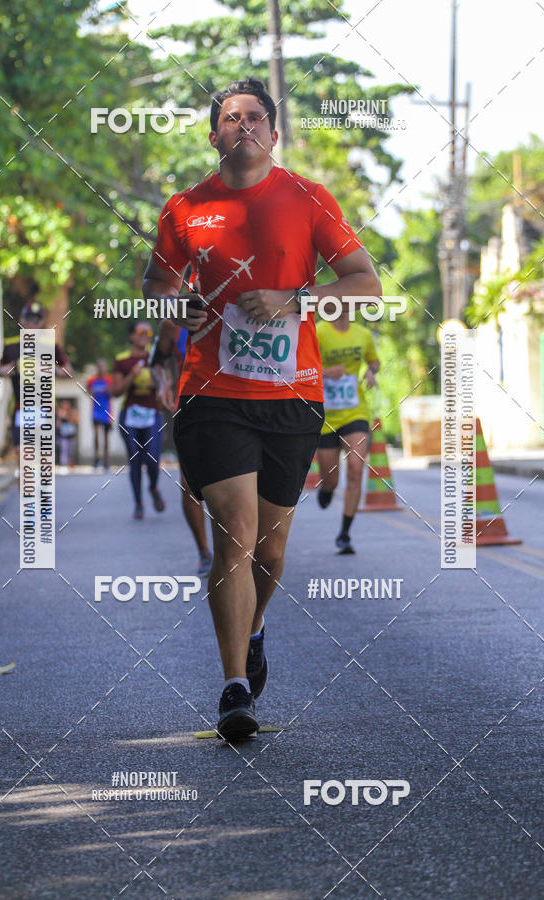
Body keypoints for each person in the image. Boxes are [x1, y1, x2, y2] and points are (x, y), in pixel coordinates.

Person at [142, 77, 381, 739]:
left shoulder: (307, 198)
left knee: (272, 548)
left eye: (254, 117)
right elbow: (156, 283)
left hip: (292, 397)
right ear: (214, 134)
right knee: (238, 535)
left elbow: (366, 284)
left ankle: (256, 629)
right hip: (212, 394)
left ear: (273, 133)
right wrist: (173, 308)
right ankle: (234, 690)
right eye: (229, 117)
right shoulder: (186, 207)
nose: (242, 125)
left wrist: (295, 300)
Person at [150, 313, 213, 577]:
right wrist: (163, 383)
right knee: (190, 484)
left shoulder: (243, 305)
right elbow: (157, 363)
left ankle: (237, 549)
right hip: (191, 408)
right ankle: (204, 552)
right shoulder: (174, 320)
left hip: (240, 407)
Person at [315, 313, 380, 553]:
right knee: (330, 477)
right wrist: (325, 373)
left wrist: (372, 371)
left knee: (355, 468)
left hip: (355, 412)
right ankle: (327, 488)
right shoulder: (319, 332)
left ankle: (344, 534)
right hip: (326, 417)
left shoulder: (362, 334)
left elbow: (374, 361)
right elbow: (301, 367)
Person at [0, 301, 71, 454]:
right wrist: (14, 367)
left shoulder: (50, 345)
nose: (32, 323)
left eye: (36, 319)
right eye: (28, 318)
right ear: (21, 319)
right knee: (21, 453)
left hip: (45, 407)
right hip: (20, 407)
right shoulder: (11, 345)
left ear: (42, 322)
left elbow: (68, 372)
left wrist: (48, 368)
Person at [111, 321, 165, 519]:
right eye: (141, 332)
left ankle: (153, 487)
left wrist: (161, 383)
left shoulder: (155, 357)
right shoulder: (122, 360)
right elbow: (115, 392)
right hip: (130, 415)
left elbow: (165, 385)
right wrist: (131, 376)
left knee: (152, 458)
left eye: (149, 332)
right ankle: (139, 504)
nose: (145, 335)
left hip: (152, 414)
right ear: (131, 336)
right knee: (134, 459)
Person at [86, 359, 112, 470]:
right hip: (95, 412)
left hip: (106, 412)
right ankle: (96, 458)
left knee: (106, 437)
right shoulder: (92, 380)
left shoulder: (109, 379)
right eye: (99, 366)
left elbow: (113, 393)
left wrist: (108, 390)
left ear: (105, 367)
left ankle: (105, 460)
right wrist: (91, 392)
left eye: (103, 366)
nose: (101, 368)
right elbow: (87, 391)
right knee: (96, 435)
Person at [56, 399, 79, 467]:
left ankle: (71, 464)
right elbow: (58, 425)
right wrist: (60, 417)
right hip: (64, 435)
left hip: (72, 435)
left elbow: (77, 420)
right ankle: (64, 465)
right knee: (64, 451)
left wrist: (67, 416)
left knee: (71, 451)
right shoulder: (60, 413)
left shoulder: (73, 411)